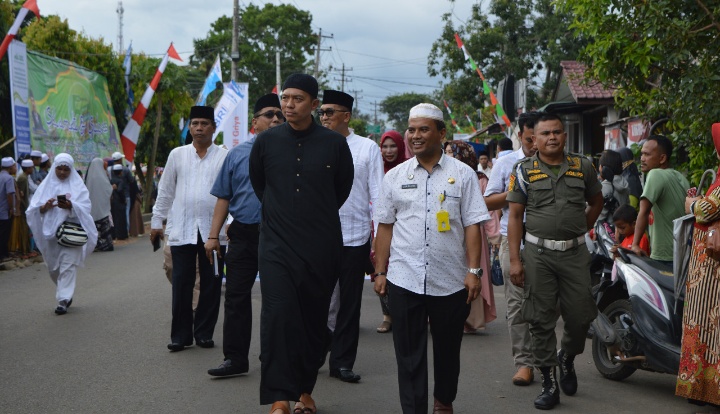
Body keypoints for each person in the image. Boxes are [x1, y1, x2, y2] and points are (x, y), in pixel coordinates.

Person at [373, 103, 489, 414]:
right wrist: (380, 271)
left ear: (441, 133)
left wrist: (474, 271)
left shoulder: (462, 175)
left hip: (450, 279)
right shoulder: (395, 177)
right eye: (411, 130)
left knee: (448, 351)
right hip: (404, 276)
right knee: (408, 354)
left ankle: (444, 400)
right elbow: (384, 227)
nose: (415, 136)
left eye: (424, 129)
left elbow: (473, 225)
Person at [248, 73, 354, 414]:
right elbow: (260, 186)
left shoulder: (334, 145)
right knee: (278, 317)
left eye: (297, 99)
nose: (288, 104)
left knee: (312, 321)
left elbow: (340, 190)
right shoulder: (265, 143)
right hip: (276, 245)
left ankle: (305, 391)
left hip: (320, 246)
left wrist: (311, 215)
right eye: (285, 98)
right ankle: (280, 395)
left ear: (313, 103)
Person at [506, 112, 603, 410]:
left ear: (564, 135)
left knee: (581, 315)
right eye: (545, 133)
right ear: (534, 139)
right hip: (538, 255)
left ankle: (567, 357)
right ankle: (549, 382)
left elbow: (596, 201)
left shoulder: (582, 166)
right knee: (539, 318)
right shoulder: (522, 170)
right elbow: (514, 216)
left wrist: (578, 229)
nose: (552, 138)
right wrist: (515, 261)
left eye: (557, 132)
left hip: (575, 253)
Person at [204, 93, 284, 378]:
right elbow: (224, 197)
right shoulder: (236, 154)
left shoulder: (292, 152)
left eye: (280, 115)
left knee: (276, 299)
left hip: (280, 237)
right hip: (243, 235)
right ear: (255, 123)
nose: (276, 119)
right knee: (236, 298)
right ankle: (235, 359)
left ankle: (273, 356)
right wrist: (213, 236)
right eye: (270, 114)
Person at [150, 105, 228, 352]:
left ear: (213, 128)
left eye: (204, 124)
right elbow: (165, 191)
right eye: (195, 123)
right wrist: (156, 222)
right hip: (182, 230)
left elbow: (231, 193)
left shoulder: (224, 156)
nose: (199, 128)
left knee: (211, 284)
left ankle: (204, 333)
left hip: (214, 233)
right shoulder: (177, 155)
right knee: (181, 283)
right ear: (190, 128)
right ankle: (180, 336)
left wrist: (231, 224)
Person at [319, 89, 383, 384]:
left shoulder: (367, 149)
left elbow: (378, 197)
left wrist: (379, 244)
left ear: (346, 115)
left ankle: (342, 362)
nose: (323, 117)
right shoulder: (313, 145)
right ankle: (315, 352)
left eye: (329, 112)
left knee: (349, 303)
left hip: (354, 237)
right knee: (317, 300)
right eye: (321, 112)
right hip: (317, 236)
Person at [483, 111, 539, 386]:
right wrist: (517, 192)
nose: (537, 143)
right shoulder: (505, 164)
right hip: (513, 239)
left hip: (552, 241)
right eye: (530, 138)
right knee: (517, 304)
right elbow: (488, 201)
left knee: (550, 304)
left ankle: (552, 360)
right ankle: (524, 364)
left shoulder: (563, 164)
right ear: (521, 135)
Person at [676, 123, 720, 406]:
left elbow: (705, 211)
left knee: (704, 322)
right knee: (703, 322)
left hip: (712, 269)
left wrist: (690, 202)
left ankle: (705, 389)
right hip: (705, 267)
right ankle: (701, 388)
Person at [25, 153, 98, 314]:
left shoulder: (78, 187)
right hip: (51, 235)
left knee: (68, 265)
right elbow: (34, 209)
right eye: (59, 169)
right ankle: (64, 290)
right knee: (54, 268)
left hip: (72, 233)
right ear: (54, 168)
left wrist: (71, 206)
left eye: (66, 169)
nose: (63, 173)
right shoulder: (46, 186)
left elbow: (86, 208)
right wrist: (45, 207)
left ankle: (63, 299)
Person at [446, 140, 500, 333]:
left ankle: (471, 319)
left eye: (452, 152)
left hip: (473, 234)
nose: (448, 156)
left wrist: (494, 236)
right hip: (449, 235)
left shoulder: (478, 179)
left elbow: (489, 212)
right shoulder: (441, 176)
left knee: (472, 272)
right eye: (447, 152)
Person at [631, 135, 689, 266]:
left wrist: (635, 244)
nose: (642, 159)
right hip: (684, 253)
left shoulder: (655, 174)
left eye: (647, 155)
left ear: (662, 158)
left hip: (664, 256)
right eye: (642, 154)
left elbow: (644, 211)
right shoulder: (680, 177)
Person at [375, 130, 408, 333]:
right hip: (383, 226)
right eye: (384, 146)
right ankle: (387, 315)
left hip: (404, 229)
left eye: (393, 146)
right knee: (381, 268)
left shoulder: (409, 169)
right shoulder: (377, 171)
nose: (388, 151)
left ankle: (405, 313)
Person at [84, 158, 114, 252]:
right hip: (103, 207)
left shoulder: (89, 177)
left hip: (93, 206)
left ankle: (97, 245)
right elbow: (108, 190)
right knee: (104, 226)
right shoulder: (102, 176)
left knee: (95, 226)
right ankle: (107, 245)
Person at [597, 149, 630, 224]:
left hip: (607, 232)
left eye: (600, 166)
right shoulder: (624, 183)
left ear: (604, 169)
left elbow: (600, 216)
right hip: (622, 228)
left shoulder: (606, 186)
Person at [0, 157, 18, 261]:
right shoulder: (9, 178)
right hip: (4, 211)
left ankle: (5, 253)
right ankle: (2, 255)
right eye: (14, 166)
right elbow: (10, 195)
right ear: (10, 167)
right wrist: (12, 208)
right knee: (4, 233)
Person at [110, 165, 128, 240]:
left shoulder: (111, 180)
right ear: (121, 172)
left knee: (114, 218)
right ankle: (121, 235)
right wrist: (124, 199)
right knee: (121, 218)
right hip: (119, 201)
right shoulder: (121, 181)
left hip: (112, 201)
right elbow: (120, 190)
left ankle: (114, 234)